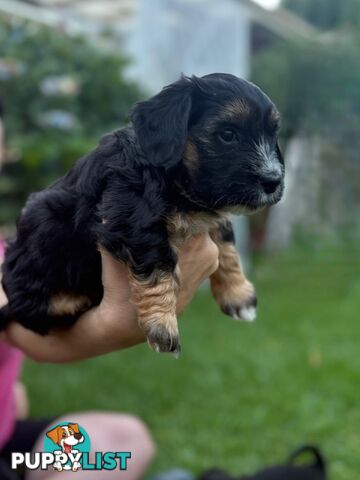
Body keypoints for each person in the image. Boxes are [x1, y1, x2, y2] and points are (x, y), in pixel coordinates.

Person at [0, 101, 220, 479]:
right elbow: (30, 335)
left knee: (122, 441)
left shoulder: (8, 248)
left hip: (9, 442)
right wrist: (124, 320)